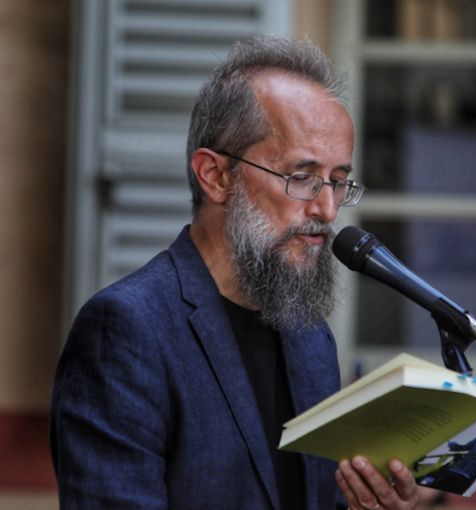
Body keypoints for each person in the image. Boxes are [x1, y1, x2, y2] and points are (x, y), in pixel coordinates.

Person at [49, 36, 418, 510]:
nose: (327, 210)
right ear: (216, 175)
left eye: (338, 182)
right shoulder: (126, 331)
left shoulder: (310, 336)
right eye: (302, 177)